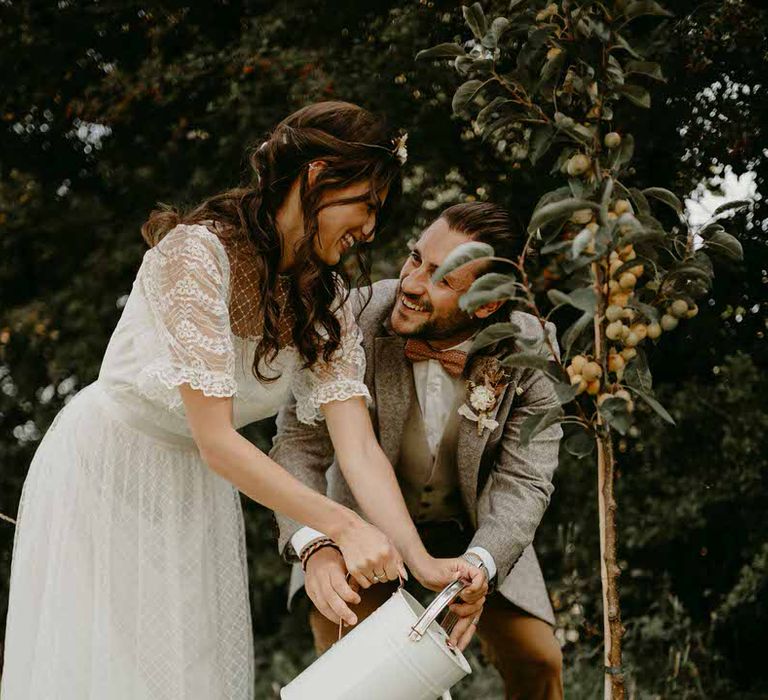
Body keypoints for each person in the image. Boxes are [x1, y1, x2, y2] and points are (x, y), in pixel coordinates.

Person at [0, 101, 485, 700]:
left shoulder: (324, 297)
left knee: (186, 672)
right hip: (107, 470)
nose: (372, 229)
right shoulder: (195, 256)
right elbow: (217, 437)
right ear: (317, 178)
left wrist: (420, 561)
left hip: (194, 490)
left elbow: (356, 446)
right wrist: (341, 526)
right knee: (105, 670)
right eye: (367, 204)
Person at [272, 202, 565, 699]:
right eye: (415, 259)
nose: (411, 282)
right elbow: (297, 446)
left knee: (539, 660)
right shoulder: (354, 318)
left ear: (489, 305)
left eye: (442, 279)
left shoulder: (530, 349)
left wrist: (482, 565)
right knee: (361, 669)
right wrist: (315, 545)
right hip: (358, 537)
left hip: (474, 532)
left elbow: (526, 479)